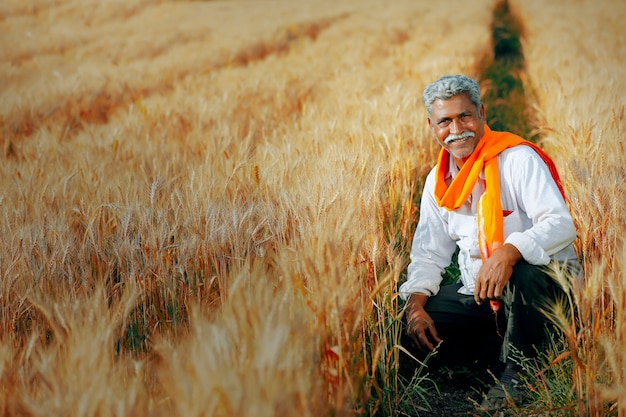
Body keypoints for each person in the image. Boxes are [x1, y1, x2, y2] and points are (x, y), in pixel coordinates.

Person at [398, 74, 579, 411]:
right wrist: (415, 308)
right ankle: (496, 350)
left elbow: (560, 224)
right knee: (412, 319)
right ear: (431, 125)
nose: (457, 129)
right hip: (481, 292)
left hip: (540, 288)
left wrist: (509, 252)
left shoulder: (518, 159)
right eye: (445, 121)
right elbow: (428, 253)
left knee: (521, 273)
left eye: (465, 116)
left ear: (481, 112)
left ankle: (519, 375)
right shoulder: (437, 182)